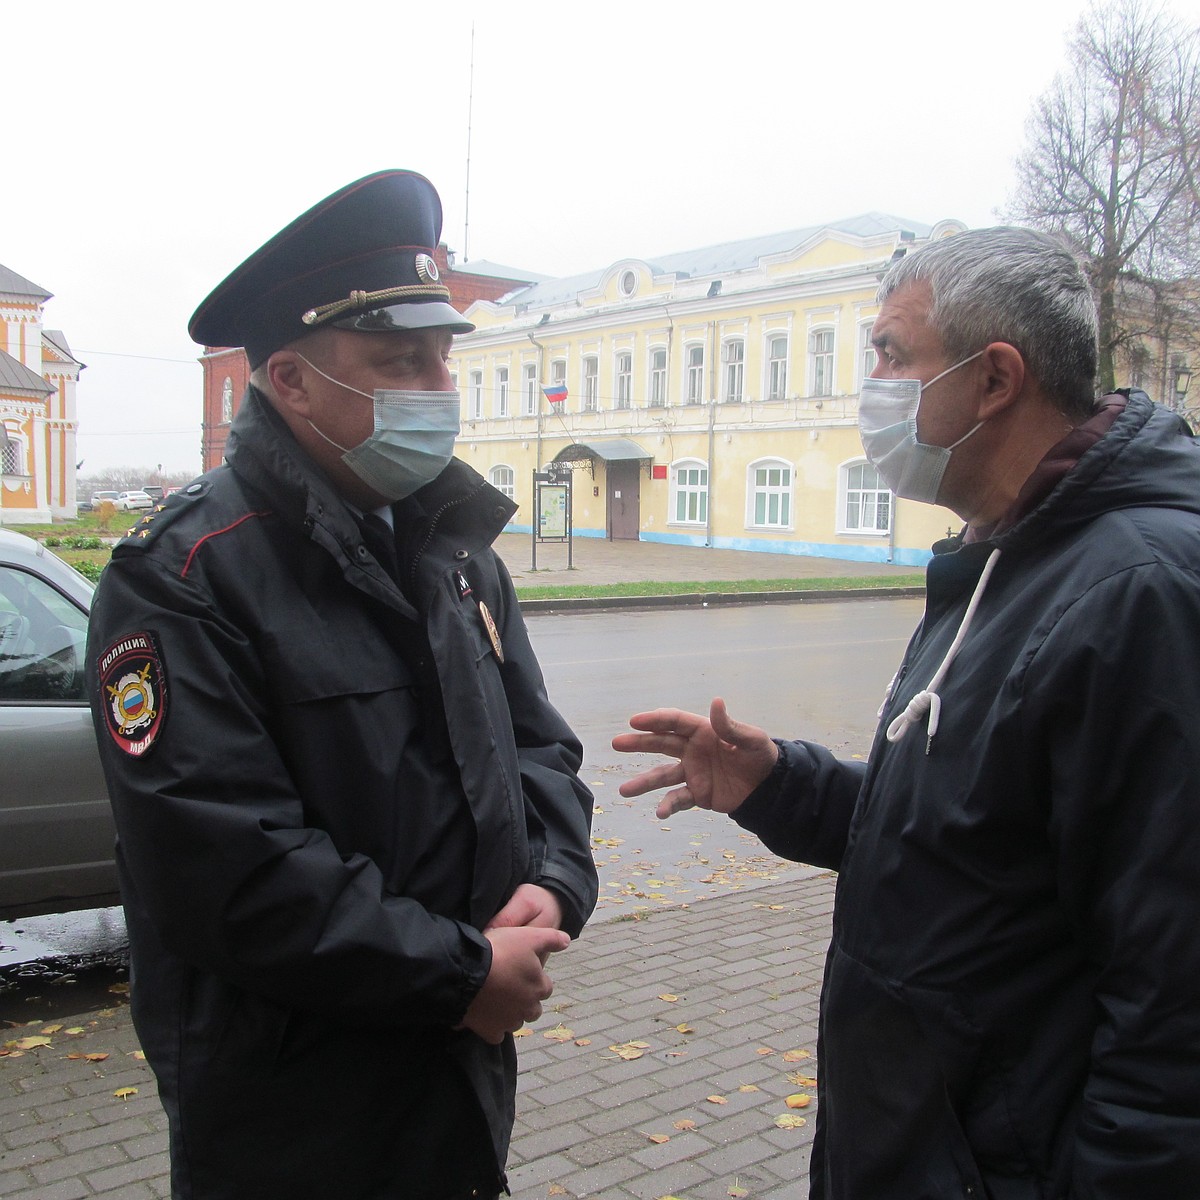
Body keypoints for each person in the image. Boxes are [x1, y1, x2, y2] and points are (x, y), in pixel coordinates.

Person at [614, 227, 1200, 1199]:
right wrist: (782, 786)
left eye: (892, 352)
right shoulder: (1008, 554)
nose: (870, 381)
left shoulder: (1140, 591)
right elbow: (980, 846)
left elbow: (1175, 1000)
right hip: (929, 1145)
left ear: (995, 378)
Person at [87, 169, 598, 1200]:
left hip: (455, 1071)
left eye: (441, 359)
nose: (435, 388)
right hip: (296, 1106)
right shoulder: (185, 577)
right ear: (291, 380)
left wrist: (552, 887)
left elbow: (538, 751)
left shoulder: (456, 553)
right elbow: (226, 867)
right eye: (397, 362)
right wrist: (461, 975)